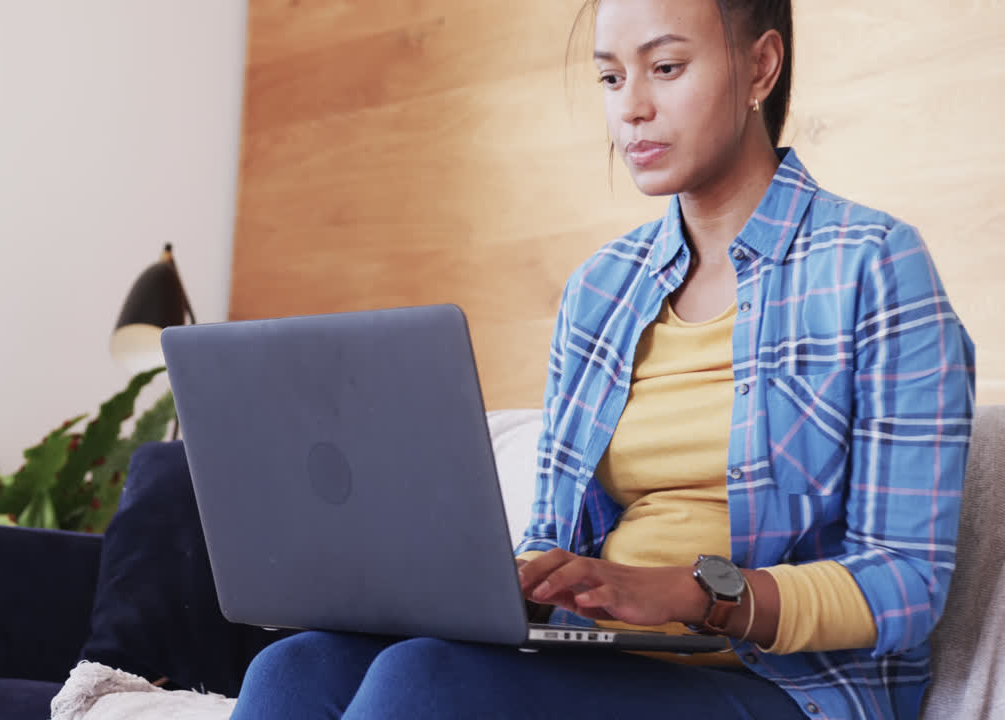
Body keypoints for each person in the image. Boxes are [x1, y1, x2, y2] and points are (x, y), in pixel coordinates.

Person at [229, 0, 975, 718]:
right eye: (611, 78)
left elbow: (904, 585)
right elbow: (553, 534)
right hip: (607, 663)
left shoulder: (872, 266)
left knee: (423, 684)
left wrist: (694, 594)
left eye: (667, 68)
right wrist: (510, 584)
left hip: (787, 689)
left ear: (760, 66)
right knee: (296, 666)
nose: (631, 108)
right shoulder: (602, 291)